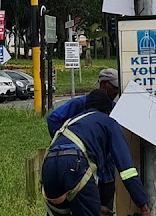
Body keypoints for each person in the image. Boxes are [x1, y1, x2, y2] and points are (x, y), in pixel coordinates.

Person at [41, 89, 151, 216]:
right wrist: (143, 206)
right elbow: (127, 170)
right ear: (108, 111)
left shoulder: (73, 122)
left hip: (48, 165)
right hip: (74, 164)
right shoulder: (109, 123)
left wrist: (96, 207)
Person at [47, 69, 118, 210]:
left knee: (107, 209)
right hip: (84, 169)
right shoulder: (80, 103)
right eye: (114, 87)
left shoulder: (114, 107)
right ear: (103, 85)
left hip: (107, 170)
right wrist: (64, 140)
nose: (116, 92)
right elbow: (53, 118)